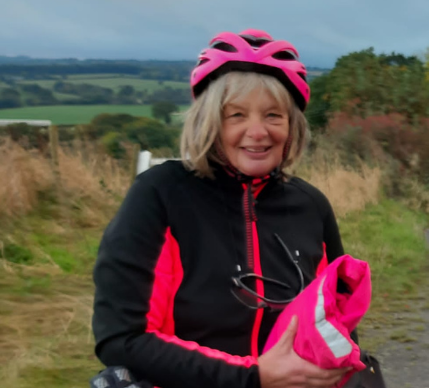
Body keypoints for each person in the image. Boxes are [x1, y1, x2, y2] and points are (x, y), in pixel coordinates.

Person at [92, 29, 354, 388]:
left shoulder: (311, 206)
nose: (258, 131)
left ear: (293, 125)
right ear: (210, 122)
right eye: (237, 115)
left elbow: (338, 322)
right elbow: (122, 338)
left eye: (274, 115)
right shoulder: (161, 195)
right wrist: (253, 377)